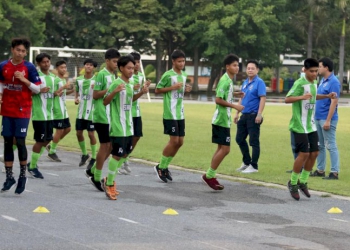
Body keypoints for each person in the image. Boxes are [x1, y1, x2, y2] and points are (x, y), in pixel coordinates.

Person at [285, 58, 336, 201]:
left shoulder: (314, 83)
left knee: (315, 153)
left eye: (316, 71)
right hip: (299, 125)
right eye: (312, 71)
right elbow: (287, 99)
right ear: (305, 70)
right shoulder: (299, 83)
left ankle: (303, 181)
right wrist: (301, 96)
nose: (315, 74)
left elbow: (313, 96)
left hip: (311, 125)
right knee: (304, 154)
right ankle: (293, 183)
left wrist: (326, 96)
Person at [102, 55, 149, 200]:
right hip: (117, 125)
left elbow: (131, 100)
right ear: (121, 68)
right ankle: (109, 183)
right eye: (128, 67)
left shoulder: (129, 84)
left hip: (128, 124)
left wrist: (141, 92)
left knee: (125, 153)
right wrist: (115, 91)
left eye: (133, 67)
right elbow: (105, 101)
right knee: (117, 154)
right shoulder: (117, 83)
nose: (131, 70)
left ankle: (108, 180)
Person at [0, 37, 41, 194]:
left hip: (23, 109)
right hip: (7, 110)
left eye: (23, 51)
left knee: (21, 140)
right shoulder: (3, 66)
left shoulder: (29, 68)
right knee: (8, 141)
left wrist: (24, 79)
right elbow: (2, 83)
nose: (20, 53)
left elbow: (37, 89)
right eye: (18, 50)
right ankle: (9, 176)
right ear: (12, 50)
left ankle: (23, 175)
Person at [201, 54, 244, 190]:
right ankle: (209, 175)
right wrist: (235, 106)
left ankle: (210, 175)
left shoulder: (229, 81)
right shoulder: (225, 80)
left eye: (237, 65)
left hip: (225, 120)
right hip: (221, 119)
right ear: (227, 67)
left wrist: (235, 95)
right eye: (234, 65)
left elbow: (225, 96)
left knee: (222, 149)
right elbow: (218, 99)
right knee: (225, 149)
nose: (237, 67)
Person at [154, 49, 192, 183]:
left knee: (180, 142)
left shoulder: (184, 75)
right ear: (173, 61)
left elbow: (181, 94)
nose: (182, 63)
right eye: (179, 61)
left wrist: (186, 90)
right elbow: (157, 90)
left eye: (183, 61)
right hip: (170, 113)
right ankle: (160, 166)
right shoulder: (168, 75)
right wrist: (172, 87)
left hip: (180, 112)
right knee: (174, 141)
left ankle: (164, 166)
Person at [86, 48, 120, 191]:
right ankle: (96, 176)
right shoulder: (102, 75)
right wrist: (111, 90)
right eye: (114, 61)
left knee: (110, 146)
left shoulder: (115, 76)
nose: (116, 64)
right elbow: (95, 95)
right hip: (101, 115)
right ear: (107, 61)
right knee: (105, 145)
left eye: (118, 62)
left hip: (111, 116)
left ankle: (94, 169)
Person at [118, 52, 151, 175]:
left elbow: (137, 94)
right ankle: (120, 161)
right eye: (134, 62)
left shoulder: (141, 76)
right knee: (125, 138)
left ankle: (125, 158)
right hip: (126, 112)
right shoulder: (126, 77)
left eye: (138, 62)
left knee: (136, 137)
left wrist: (144, 88)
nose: (136, 65)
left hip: (136, 111)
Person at [27, 53, 56, 179]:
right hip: (39, 114)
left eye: (48, 61)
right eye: (43, 62)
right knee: (40, 140)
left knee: (48, 139)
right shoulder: (36, 76)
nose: (46, 64)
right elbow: (28, 93)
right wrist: (39, 90)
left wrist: (56, 93)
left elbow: (51, 95)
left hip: (49, 115)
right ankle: (32, 166)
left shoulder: (53, 77)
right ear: (38, 64)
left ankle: (32, 162)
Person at [310, 57, 341, 180]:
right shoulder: (323, 80)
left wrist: (328, 120)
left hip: (327, 119)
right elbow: (320, 97)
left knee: (331, 145)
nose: (318, 69)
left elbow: (334, 102)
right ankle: (320, 169)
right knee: (320, 145)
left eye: (320, 66)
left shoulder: (333, 81)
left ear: (326, 67)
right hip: (318, 118)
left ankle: (334, 172)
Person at [234, 60, 266, 173]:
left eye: (252, 68)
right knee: (239, 139)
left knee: (254, 141)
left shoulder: (259, 82)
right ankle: (247, 162)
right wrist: (237, 113)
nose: (250, 70)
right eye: (248, 68)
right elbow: (241, 98)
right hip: (244, 114)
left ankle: (254, 166)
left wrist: (259, 114)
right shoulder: (245, 82)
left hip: (253, 115)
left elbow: (262, 98)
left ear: (257, 70)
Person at [47, 60, 73, 162]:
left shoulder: (63, 80)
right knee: (60, 130)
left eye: (65, 67)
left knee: (68, 129)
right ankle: (52, 151)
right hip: (57, 108)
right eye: (62, 67)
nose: (64, 69)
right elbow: (53, 94)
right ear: (57, 68)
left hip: (63, 108)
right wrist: (63, 87)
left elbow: (63, 93)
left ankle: (51, 145)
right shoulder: (55, 80)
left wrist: (74, 90)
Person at [74, 59, 98, 169]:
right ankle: (84, 154)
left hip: (92, 112)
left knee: (91, 134)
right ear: (84, 66)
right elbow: (77, 92)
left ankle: (93, 157)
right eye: (87, 64)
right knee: (78, 133)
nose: (88, 66)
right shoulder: (79, 80)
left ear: (94, 68)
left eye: (91, 65)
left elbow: (101, 93)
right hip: (81, 112)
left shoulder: (96, 80)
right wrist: (76, 99)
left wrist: (96, 89)